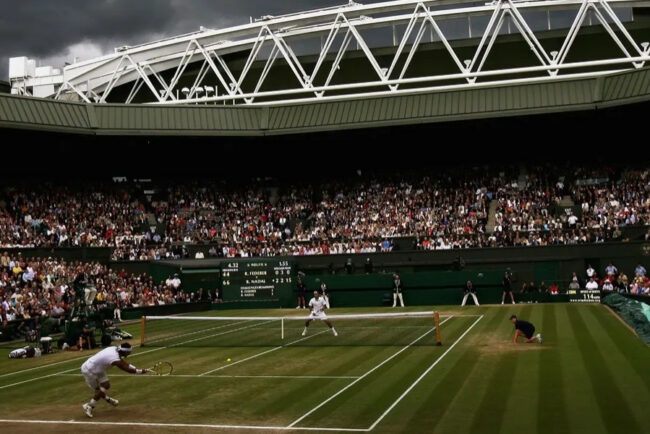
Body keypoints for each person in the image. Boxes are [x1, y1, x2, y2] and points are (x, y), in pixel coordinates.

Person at [81, 342, 152, 418]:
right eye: (128, 352)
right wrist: (141, 371)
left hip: (99, 369)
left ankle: (107, 400)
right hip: (89, 370)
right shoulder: (114, 358)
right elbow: (127, 369)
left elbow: (123, 362)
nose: (129, 354)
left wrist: (137, 368)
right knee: (98, 390)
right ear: (124, 351)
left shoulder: (115, 349)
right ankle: (89, 406)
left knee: (106, 386)